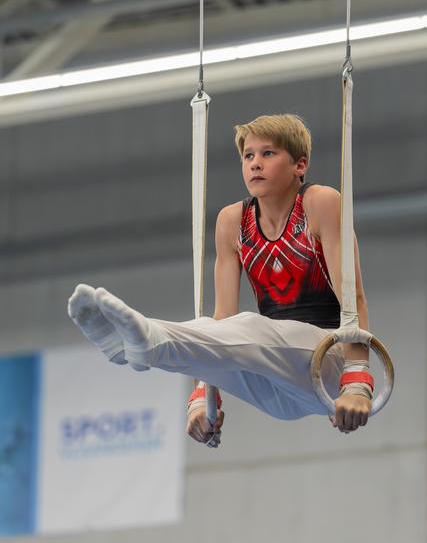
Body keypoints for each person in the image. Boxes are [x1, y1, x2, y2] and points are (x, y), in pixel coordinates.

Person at [68, 114, 373, 449]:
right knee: (216, 331)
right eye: (248, 156)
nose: (255, 164)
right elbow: (222, 324)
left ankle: (151, 338)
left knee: (251, 327)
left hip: (327, 362)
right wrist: (203, 397)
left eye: (268, 154)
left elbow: (353, 296)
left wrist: (356, 381)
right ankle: (136, 348)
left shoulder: (321, 203)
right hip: (275, 385)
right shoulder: (232, 221)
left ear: (300, 165)